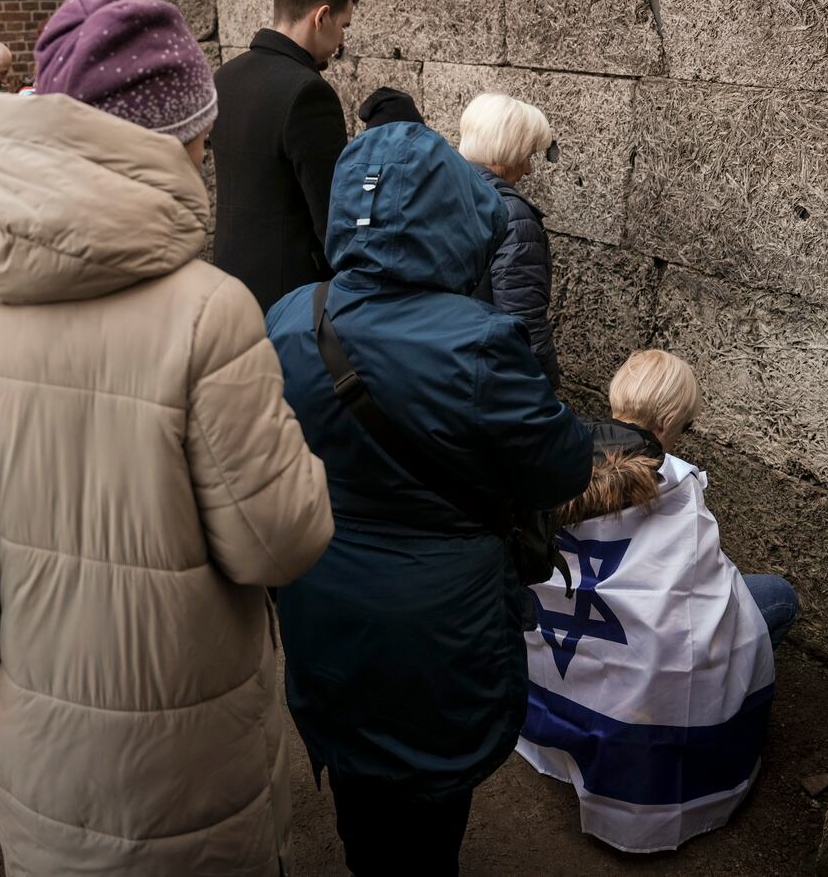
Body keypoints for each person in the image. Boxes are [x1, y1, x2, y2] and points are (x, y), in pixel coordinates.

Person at [0, 0, 333, 875]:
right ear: (170, 134)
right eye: (201, 134)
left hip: (20, 700)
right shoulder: (206, 313)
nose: (207, 153)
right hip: (179, 737)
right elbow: (280, 539)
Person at [266, 121, 593, 876]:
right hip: (443, 628)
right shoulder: (478, 342)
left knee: (360, 794)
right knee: (429, 819)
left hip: (324, 597)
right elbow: (562, 467)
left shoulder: (291, 317)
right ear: (453, 214)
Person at [517, 349, 795, 853]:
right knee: (776, 598)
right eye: (685, 424)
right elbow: (706, 593)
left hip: (557, 644)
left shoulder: (555, 456)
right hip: (643, 658)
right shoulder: (678, 483)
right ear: (670, 422)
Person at [211, 0, 360, 311]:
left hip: (228, 282)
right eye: (343, 26)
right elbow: (332, 218)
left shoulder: (223, 78)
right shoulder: (309, 93)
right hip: (291, 298)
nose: (341, 41)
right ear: (321, 17)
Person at [461, 92, 561, 387]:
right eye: (527, 154)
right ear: (507, 152)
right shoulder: (512, 217)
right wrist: (546, 389)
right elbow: (523, 322)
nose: (529, 169)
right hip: (487, 378)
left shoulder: (439, 192)